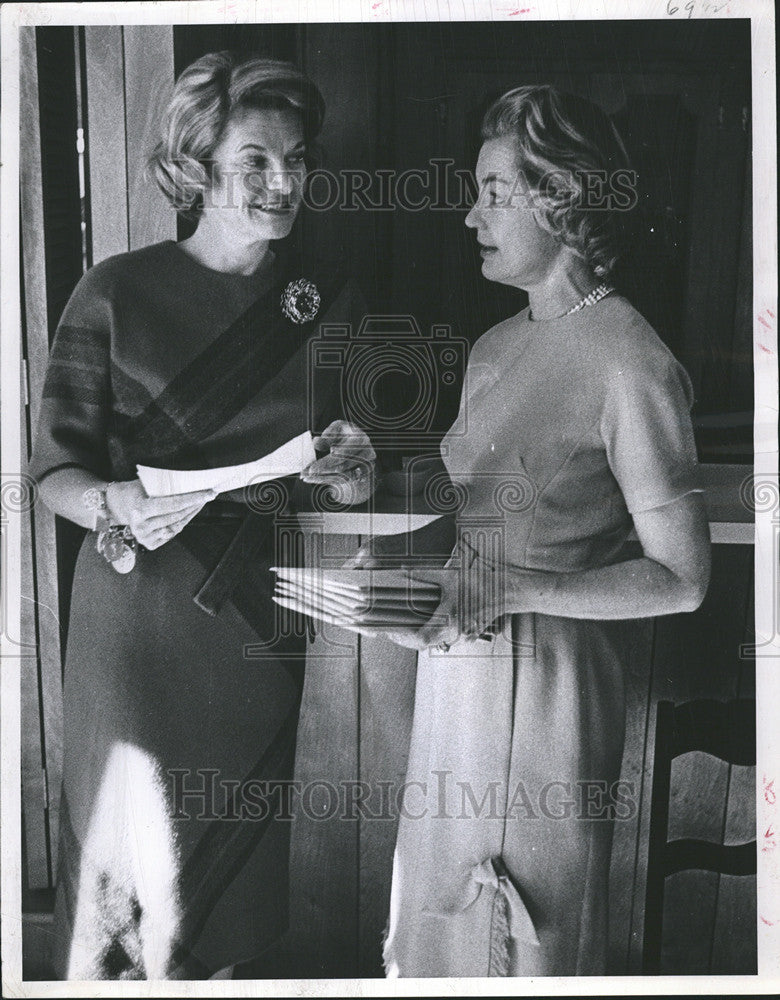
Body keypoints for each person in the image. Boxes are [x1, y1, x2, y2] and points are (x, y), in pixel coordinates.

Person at [29, 51, 373, 980]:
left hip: (258, 617)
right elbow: (50, 474)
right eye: (255, 159)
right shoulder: (115, 292)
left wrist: (352, 469)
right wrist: (116, 500)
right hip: (137, 623)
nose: (281, 181)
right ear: (197, 165)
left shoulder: (325, 300)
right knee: (129, 872)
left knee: (232, 886)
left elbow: (345, 474)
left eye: (296, 159)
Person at [376, 86, 711, 977]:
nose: (469, 212)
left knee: (523, 932)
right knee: (440, 916)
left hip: (552, 688)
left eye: (493, 191)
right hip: (456, 673)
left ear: (561, 199)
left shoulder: (630, 361)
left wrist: (516, 591)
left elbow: (682, 578)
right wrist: (370, 482)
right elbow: (486, 511)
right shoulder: (493, 346)